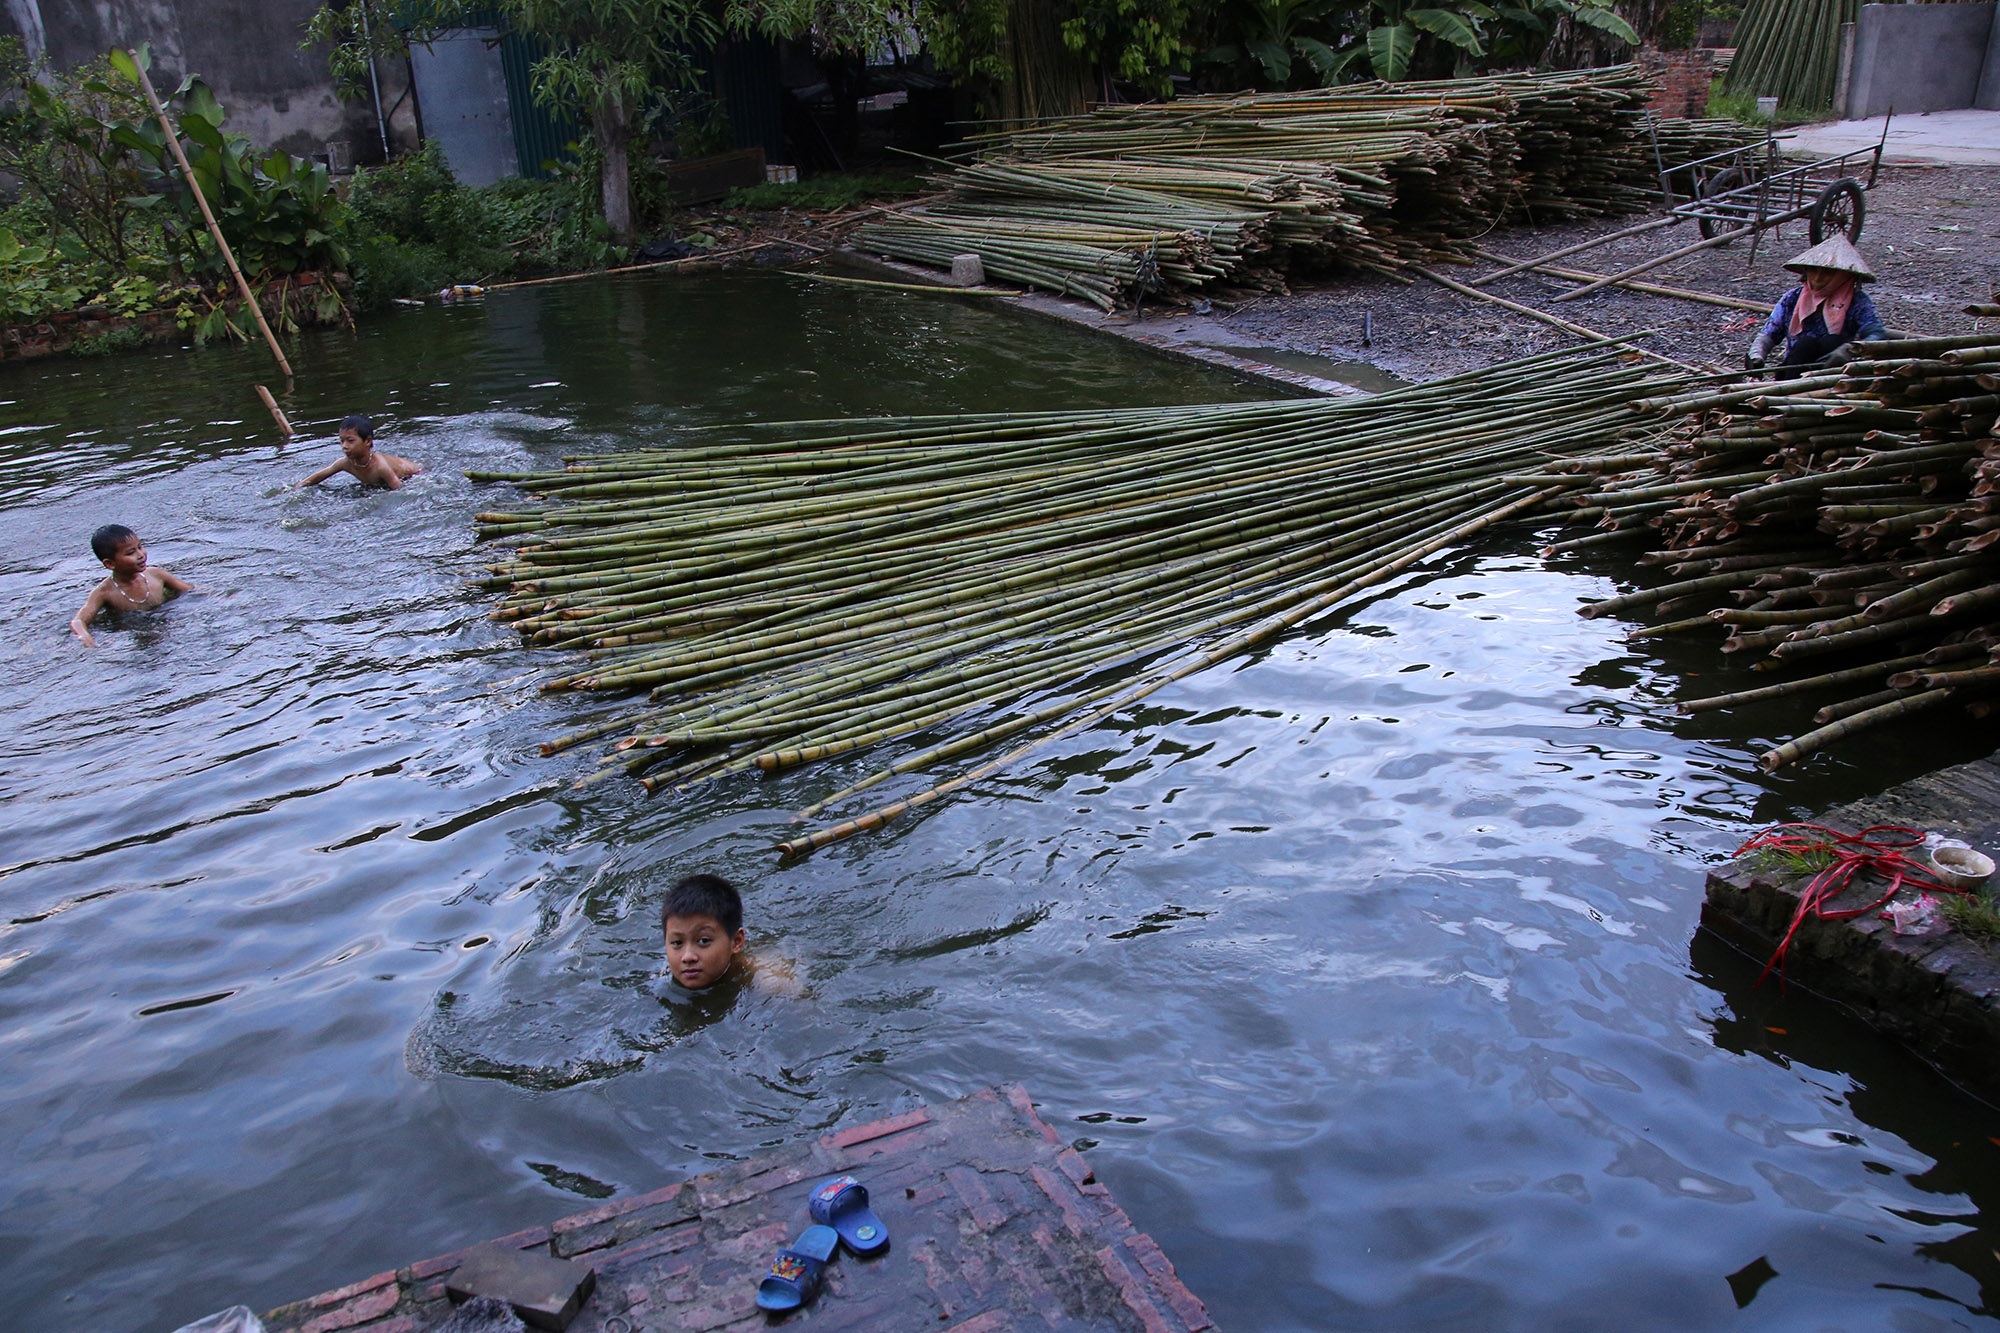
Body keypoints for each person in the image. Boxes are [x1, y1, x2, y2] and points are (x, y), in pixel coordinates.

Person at [1746, 235, 1888, 378]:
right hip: (1795, 370)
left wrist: (1849, 349)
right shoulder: (1792, 298)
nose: (1817, 278)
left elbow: (1876, 334)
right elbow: (1769, 334)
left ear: (1845, 275)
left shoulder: (1857, 301)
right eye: (1813, 271)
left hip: (1835, 373)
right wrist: (1757, 355)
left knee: (1832, 341)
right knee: (1805, 344)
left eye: (1828, 273)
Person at [661, 873, 800, 995]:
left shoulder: (769, 980)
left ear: (736, 941)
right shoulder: (660, 978)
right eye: (677, 943)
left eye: (703, 941)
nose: (688, 957)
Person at [69, 524, 194, 647]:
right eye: (130, 553)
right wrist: (84, 636)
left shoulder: (157, 575)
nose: (140, 554)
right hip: (130, 628)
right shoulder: (104, 593)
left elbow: (191, 591)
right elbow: (78, 621)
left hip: (167, 624)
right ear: (110, 563)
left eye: (140, 547)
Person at [297, 414, 421, 490]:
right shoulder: (345, 463)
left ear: (367, 441)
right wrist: (293, 490)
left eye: (350, 441)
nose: (344, 446)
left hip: (415, 476)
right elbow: (314, 479)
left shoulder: (381, 467)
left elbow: (400, 490)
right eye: (342, 441)